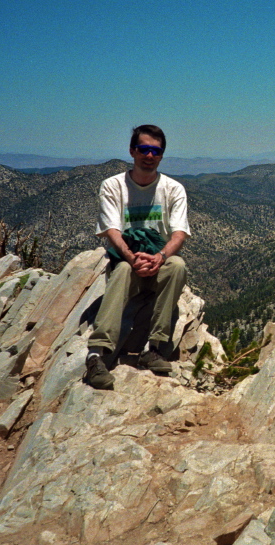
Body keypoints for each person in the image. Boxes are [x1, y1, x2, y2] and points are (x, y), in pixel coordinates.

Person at [85, 125, 190, 390]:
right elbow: (112, 230)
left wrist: (160, 257)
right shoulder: (113, 186)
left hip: (159, 262)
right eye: (144, 149)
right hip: (128, 262)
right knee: (120, 271)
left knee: (177, 265)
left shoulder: (173, 189)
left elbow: (179, 233)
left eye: (156, 151)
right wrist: (131, 259)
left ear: (162, 155)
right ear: (132, 151)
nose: (149, 155)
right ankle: (97, 355)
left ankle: (154, 348)